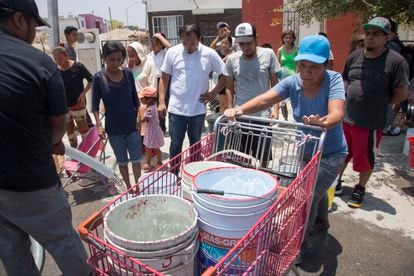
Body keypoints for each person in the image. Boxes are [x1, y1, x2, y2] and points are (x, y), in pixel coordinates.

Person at [224, 34, 347, 263]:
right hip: (307, 150)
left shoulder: (334, 80)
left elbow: (337, 112)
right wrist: (238, 111)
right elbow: (264, 100)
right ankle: (322, 221)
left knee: (305, 197)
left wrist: (324, 122)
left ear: (327, 64)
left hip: (330, 153)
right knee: (313, 190)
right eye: (302, 66)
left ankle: (297, 246)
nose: (307, 72)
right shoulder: (292, 82)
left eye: (314, 67)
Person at [0, 0, 92, 275]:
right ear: (19, 20)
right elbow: (58, 123)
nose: (33, 33)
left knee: (11, 250)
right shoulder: (38, 63)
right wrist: (53, 144)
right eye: (33, 25)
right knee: (64, 242)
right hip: (31, 181)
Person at [337, 17, 409, 207]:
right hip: (347, 119)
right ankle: (336, 181)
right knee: (342, 153)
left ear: (388, 37)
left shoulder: (396, 61)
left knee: (365, 159)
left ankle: (360, 188)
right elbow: (345, 81)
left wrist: (380, 103)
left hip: (369, 124)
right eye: (367, 33)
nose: (370, 37)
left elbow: (401, 93)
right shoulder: (354, 56)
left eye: (376, 34)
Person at [158, 24, 227, 162]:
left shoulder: (209, 54)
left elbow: (225, 75)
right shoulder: (173, 52)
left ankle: (193, 173)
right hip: (176, 109)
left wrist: (213, 93)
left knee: (195, 144)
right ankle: (174, 173)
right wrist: (161, 102)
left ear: (200, 39)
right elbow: (164, 78)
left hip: (198, 109)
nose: (188, 47)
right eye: (185, 43)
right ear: (180, 39)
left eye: (192, 43)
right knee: (175, 144)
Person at [226, 22, 280, 160]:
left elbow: (275, 85)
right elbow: (229, 87)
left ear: (256, 39)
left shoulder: (269, 54)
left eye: (248, 43)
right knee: (239, 158)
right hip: (240, 115)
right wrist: (230, 109)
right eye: (241, 44)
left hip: (262, 116)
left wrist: (275, 109)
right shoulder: (232, 59)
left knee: (262, 158)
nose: (245, 47)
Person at [92, 41, 142, 190]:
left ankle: (139, 186)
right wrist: (99, 126)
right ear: (104, 58)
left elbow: (135, 99)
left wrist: (138, 117)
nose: (115, 63)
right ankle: (129, 187)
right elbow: (94, 105)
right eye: (111, 59)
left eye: (119, 60)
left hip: (131, 126)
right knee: (122, 161)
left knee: (136, 159)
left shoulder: (128, 74)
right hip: (114, 130)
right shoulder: (98, 78)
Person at [52, 46, 93, 148]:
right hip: (64, 106)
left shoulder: (78, 67)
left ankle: (87, 152)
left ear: (66, 56)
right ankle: (75, 152)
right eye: (55, 59)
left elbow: (91, 80)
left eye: (60, 58)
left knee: (83, 129)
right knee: (69, 131)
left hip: (78, 103)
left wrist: (83, 94)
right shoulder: (56, 70)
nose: (58, 61)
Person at [127, 41, 157, 161]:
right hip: (133, 101)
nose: (131, 58)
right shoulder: (130, 66)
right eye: (129, 55)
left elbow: (152, 85)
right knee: (137, 128)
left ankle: (151, 152)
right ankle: (140, 149)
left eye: (133, 55)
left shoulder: (149, 63)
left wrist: (146, 100)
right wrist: (129, 69)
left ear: (139, 53)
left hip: (146, 101)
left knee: (147, 129)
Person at [148, 32, 171, 132]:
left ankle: (162, 126)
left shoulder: (165, 53)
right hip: (152, 81)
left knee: (164, 103)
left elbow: (170, 47)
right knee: (154, 104)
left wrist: (160, 37)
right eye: (152, 43)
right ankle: (157, 126)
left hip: (164, 80)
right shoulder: (149, 55)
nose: (153, 45)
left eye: (155, 43)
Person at [139, 87, 164, 172]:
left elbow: (145, 119)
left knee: (149, 148)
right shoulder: (153, 106)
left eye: (142, 98)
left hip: (152, 131)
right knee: (153, 147)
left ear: (149, 99)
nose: (140, 100)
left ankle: (149, 163)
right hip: (154, 130)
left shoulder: (149, 109)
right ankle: (158, 162)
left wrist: (137, 121)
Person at [277, 30, 298, 120]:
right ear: (283, 39)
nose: (288, 39)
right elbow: (278, 63)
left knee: (294, 96)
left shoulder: (296, 49)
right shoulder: (280, 50)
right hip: (282, 75)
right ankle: (285, 117)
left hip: (293, 75)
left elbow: (298, 63)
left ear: (293, 39)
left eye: (290, 38)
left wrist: (297, 74)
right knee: (282, 98)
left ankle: (296, 115)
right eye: (286, 38)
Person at [214, 35, 235, 112]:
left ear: (230, 44)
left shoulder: (234, 54)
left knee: (229, 103)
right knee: (222, 102)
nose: (223, 45)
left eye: (226, 43)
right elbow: (220, 64)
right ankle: (221, 119)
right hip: (222, 79)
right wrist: (228, 57)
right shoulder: (219, 53)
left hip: (232, 79)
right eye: (222, 43)